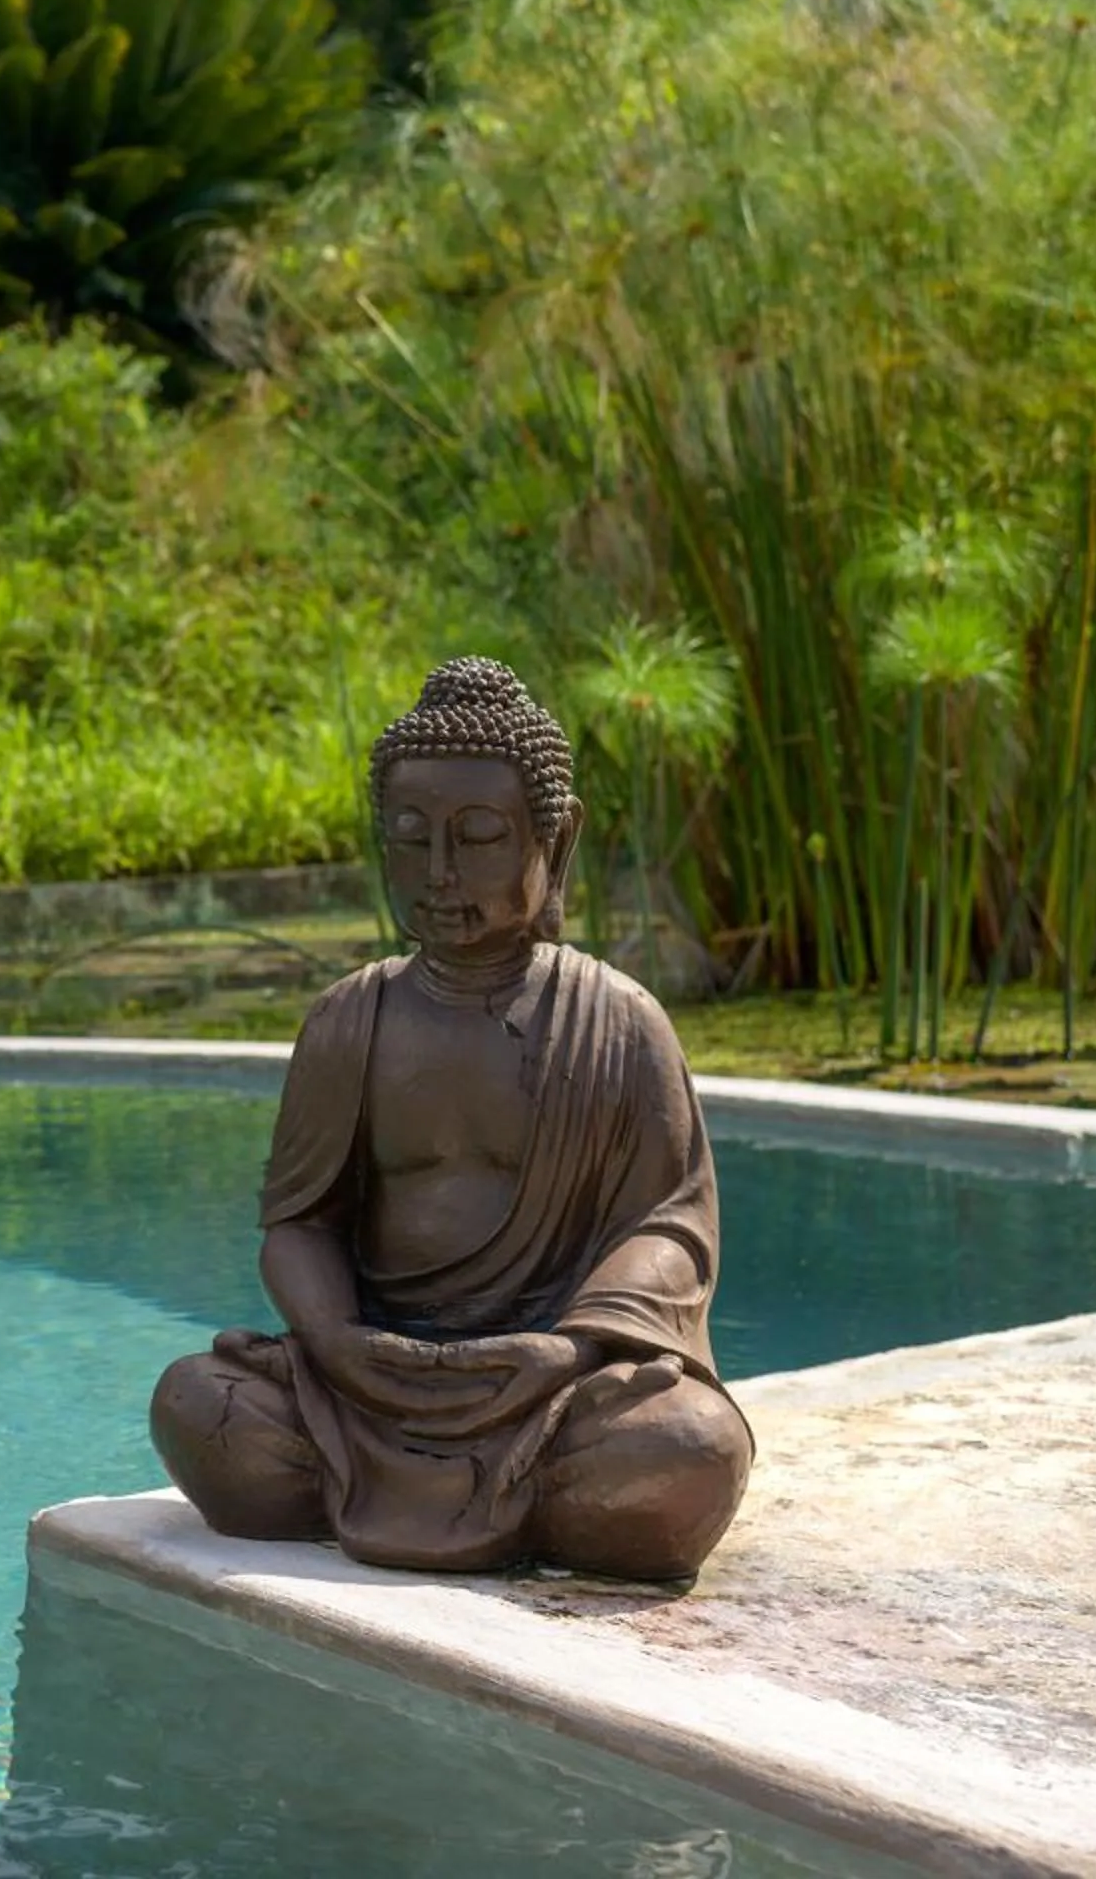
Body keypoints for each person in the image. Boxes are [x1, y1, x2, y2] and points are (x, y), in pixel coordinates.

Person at [148, 657, 750, 1581]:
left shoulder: (618, 1020)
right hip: (369, 1383)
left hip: (546, 1385)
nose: (439, 872)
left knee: (684, 1448)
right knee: (198, 1404)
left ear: (558, 841)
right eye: (409, 836)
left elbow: (668, 1225)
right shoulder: (352, 1017)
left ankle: (543, 1490)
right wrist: (340, 1340)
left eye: (477, 837)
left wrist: (570, 1345)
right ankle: (508, 1506)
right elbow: (301, 1221)